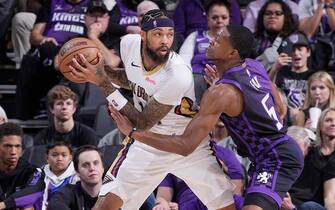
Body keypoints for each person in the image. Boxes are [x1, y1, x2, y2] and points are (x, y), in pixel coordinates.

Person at [110, 25, 304, 210]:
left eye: (219, 40)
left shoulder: (221, 93)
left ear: (232, 54)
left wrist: (134, 133)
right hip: (273, 152)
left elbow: (185, 146)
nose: (212, 40)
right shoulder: (253, 66)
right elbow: (280, 108)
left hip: (277, 157)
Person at [69, 9, 235, 210]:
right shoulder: (128, 44)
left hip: (186, 143)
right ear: (142, 35)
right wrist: (104, 72)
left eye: (170, 34)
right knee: (105, 206)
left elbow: (142, 123)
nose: (165, 40)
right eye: (158, 34)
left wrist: (103, 82)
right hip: (148, 145)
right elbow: (133, 78)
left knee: (226, 206)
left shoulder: (178, 74)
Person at [153, 142, 245, 210]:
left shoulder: (224, 154)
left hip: (221, 198)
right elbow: (163, 197)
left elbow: (236, 190)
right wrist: (164, 204)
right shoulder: (172, 158)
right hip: (188, 203)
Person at [179, 0, 231, 102]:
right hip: (197, 76)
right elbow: (184, 59)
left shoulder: (233, 40)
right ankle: (193, 108)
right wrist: (186, 77)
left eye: (224, 17)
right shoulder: (195, 36)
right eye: (215, 17)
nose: (219, 21)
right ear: (207, 19)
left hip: (223, 75)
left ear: (229, 19)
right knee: (195, 80)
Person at [283, 109, 335, 210]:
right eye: (328, 120)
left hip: (307, 206)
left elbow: (330, 198)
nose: (333, 124)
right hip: (286, 202)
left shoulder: (326, 161)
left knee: (308, 206)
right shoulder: (276, 163)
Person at [34, 85, 98, 147]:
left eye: (68, 103)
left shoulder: (88, 135)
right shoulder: (42, 137)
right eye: (59, 103)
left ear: (74, 108)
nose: (64, 107)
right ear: (51, 109)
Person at [0, 122, 45, 210]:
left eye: (17, 146)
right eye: (8, 146)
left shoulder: (34, 171)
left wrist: (4, 204)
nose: (13, 152)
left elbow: (34, 191)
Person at [47, 145, 104, 210]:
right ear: (77, 172)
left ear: (102, 168)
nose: (92, 168)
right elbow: (54, 206)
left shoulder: (114, 192)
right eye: (85, 165)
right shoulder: (68, 191)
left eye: (96, 163)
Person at [40, 141, 79, 210]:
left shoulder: (78, 175)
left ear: (70, 158)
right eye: (55, 155)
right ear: (47, 158)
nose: (59, 159)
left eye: (64, 155)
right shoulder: (39, 173)